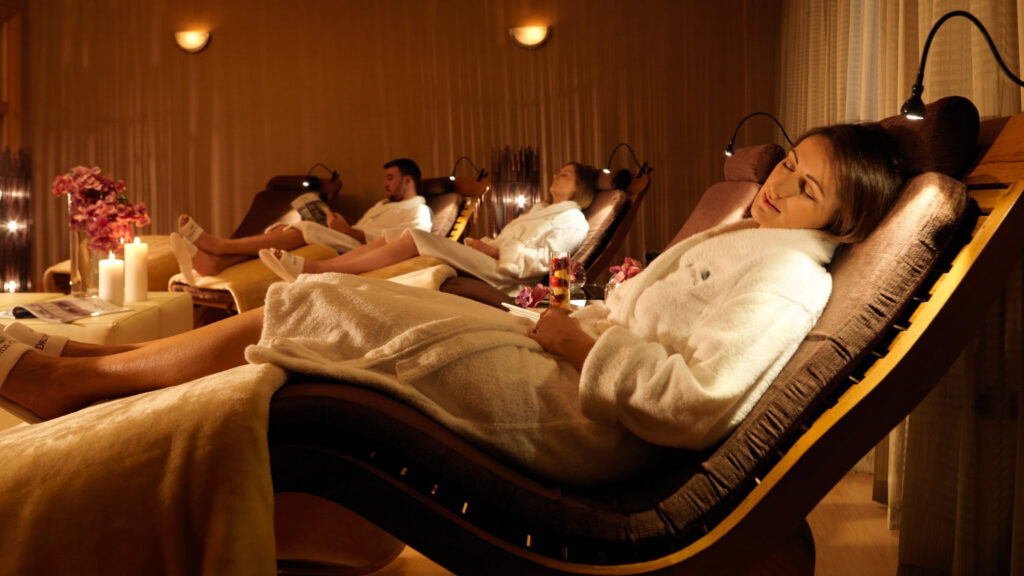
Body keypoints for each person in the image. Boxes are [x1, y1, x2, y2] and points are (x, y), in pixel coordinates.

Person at [0, 123, 904, 486]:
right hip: (557, 351)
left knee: (323, 307)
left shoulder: (790, 278)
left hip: (581, 416)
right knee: (320, 299)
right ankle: (90, 371)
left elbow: (692, 401)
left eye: (809, 186)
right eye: (790, 164)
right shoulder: (754, 245)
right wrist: (572, 330)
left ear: (846, 216)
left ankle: (82, 384)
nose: (782, 185)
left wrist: (578, 341)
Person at [259, 162, 596, 296]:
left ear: (580, 188)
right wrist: (484, 244)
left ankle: (317, 270)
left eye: (565, 175)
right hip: (489, 258)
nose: (556, 176)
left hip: (504, 276)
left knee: (416, 236)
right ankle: (319, 270)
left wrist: (495, 250)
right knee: (399, 237)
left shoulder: (573, 220)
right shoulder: (540, 210)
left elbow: (553, 263)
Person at [169, 158, 433, 284]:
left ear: (408, 180)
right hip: (349, 237)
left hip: (362, 251)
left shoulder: (418, 211)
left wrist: (349, 231)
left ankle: (220, 246)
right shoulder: (381, 205)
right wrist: (339, 223)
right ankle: (217, 262)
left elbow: (403, 242)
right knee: (287, 229)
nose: (384, 184)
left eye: (390, 178)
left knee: (304, 228)